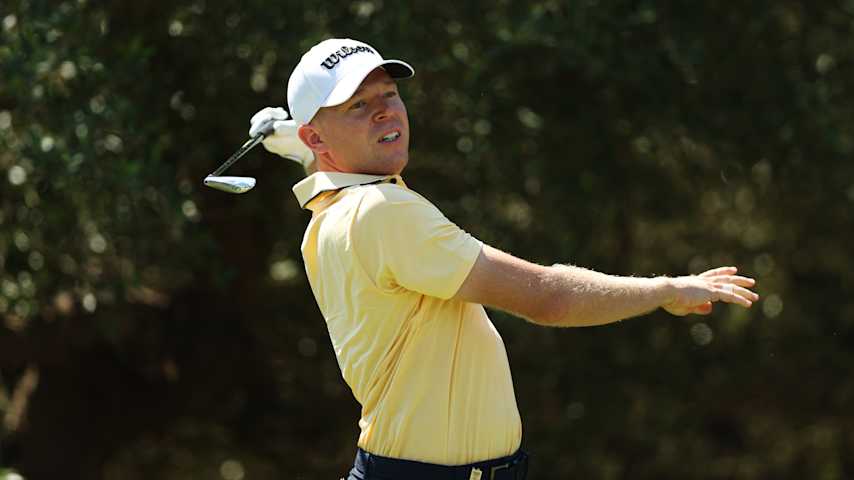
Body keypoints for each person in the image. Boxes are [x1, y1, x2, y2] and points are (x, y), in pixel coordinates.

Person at [249, 38, 759, 480]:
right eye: (358, 105)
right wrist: (667, 290)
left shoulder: (333, 207)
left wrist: (297, 142)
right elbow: (548, 298)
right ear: (318, 136)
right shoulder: (383, 212)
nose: (386, 112)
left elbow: (333, 156)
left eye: (390, 94)